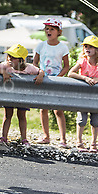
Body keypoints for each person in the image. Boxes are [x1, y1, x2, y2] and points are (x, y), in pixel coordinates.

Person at [68, 35, 98, 152]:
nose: (87, 49)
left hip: (95, 96)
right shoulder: (82, 61)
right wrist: (84, 78)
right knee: (81, 120)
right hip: (83, 95)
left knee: (96, 121)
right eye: (86, 47)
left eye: (91, 47)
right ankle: (79, 142)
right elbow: (71, 73)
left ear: (97, 50)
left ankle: (93, 143)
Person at [0, 44, 44, 145]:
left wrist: (41, 75)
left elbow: (40, 71)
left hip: (22, 96)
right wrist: (3, 72)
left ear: (21, 60)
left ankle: (24, 138)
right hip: (9, 95)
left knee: (22, 116)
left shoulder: (29, 68)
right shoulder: (6, 65)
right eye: (9, 56)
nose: (9, 59)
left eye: (13, 57)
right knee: (8, 115)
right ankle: (4, 137)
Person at [33, 18, 70, 148]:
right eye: (47, 29)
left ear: (58, 32)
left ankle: (63, 139)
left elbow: (66, 66)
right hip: (43, 80)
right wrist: (39, 73)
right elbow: (35, 63)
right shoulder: (41, 45)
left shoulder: (62, 47)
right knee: (43, 108)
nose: (48, 31)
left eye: (52, 29)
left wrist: (59, 77)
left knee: (58, 110)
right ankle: (46, 136)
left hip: (56, 81)